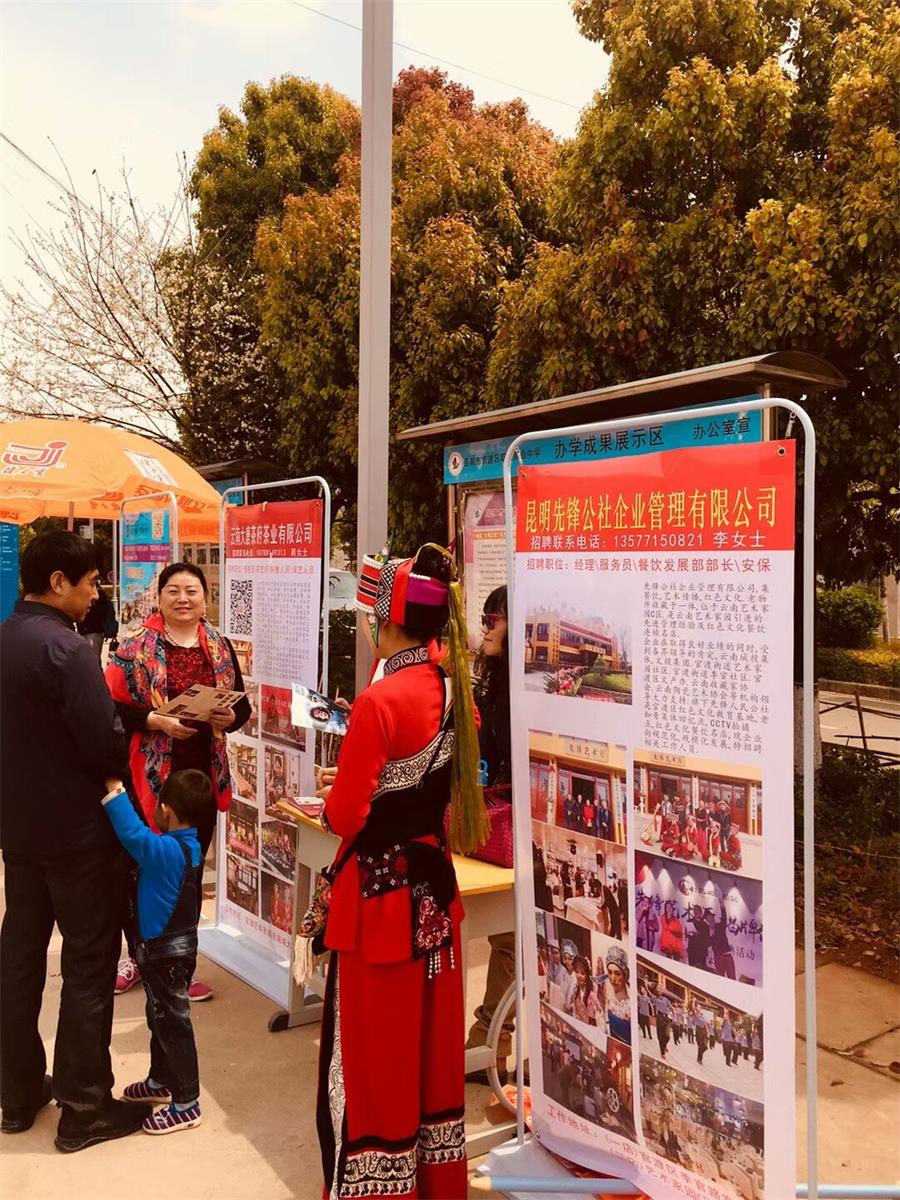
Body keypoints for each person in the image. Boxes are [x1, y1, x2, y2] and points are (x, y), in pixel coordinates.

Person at [312, 544, 488, 1199]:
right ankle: (436, 1183)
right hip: (433, 892)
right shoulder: (455, 693)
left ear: (386, 622)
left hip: (380, 903)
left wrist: (343, 794)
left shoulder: (379, 700)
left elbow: (345, 815)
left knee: (376, 1051)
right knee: (430, 1049)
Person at [0, 531, 152, 1149]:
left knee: (19, 961)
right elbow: (103, 743)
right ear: (58, 582)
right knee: (89, 963)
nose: (96, 594)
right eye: (90, 583)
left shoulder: (6, 638)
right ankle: (84, 1107)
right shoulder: (66, 648)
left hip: (18, 831)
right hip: (79, 835)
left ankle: (17, 1093)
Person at [105, 563, 251, 1001]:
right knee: (142, 871)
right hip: (149, 778)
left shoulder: (219, 646)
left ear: (205, 598)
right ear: (160, 597)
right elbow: (109, 708)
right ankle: (137, 957)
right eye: (173, 590)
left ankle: (181, 966)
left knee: (188, 874)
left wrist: (230, 717)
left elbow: (241, 709)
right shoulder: (133, 647)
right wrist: (156, 720)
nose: (183, 599)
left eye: (192, 590)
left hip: (201, 781)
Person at [101, 770, 212, 1134]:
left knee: (173, 1025)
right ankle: (161, 1080)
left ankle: (187, 1103)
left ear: (166, 810)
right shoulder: (191, 847)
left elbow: (132, 834)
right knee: (160, 1018)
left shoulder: (165, 852)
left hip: (164, 954)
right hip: (175, 952)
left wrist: (115, 791)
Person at [465, 586, 515, 1084]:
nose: (484, 626)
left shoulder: (522, 692)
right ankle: (488, 1047)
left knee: (512, 941)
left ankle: (488, 1045)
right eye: (483, 617)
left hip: (518, 829)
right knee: (507, 941)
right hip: (494, 826)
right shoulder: (492, 683)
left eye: (493, 618)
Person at [77, 584, 119, 659]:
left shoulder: (99, 594)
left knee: (94, 656)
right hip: (82, 630)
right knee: (84, 655)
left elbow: (102, 611)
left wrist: (90, 605)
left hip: (95, 630)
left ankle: (95, 667)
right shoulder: (82, 594)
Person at [599, 946, 631, 1045]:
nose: (612, 978)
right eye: (610, 972)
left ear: (624, 975)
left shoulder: (631, 1000)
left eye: (617, 973)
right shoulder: (608, 991)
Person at [566, 955, 600, 1026]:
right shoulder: (575, 990)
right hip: (577, 1026)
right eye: (577, 972)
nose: (579, 976)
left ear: (587, 975)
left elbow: (596, 1016)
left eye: (582, 973)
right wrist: (571, 1006)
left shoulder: (592, 993)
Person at [707, 897, 736, 980]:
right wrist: (710, 935)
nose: (710, 920)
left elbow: (724, 918)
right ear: (707, 920)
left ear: (713, 918)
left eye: (711, 918)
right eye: (708, 919)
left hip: (727, 956)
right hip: (717, 957)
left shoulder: (720, 926)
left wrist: (722, 906)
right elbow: (707, 944)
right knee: (720, 979)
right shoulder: (707, 931)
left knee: (732, 978)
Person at [686, 903, 712, 970]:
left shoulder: (705, 924)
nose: (696, 912)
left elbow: (708, 941)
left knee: (701, 970)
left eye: (697, 910)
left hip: (701, 952)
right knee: (692, 969)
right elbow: (687, 935)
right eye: (694, 910)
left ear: (701, 912)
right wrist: (687, 933)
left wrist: (699, 935)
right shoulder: (690, 921)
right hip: (692, 951)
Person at [653, 987, 674, 1059]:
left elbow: (671, 1007)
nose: (659, 990)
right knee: (660, 1037)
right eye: (658, 989)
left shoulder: (665, 999)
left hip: (666, 1018)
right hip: (659, 1018)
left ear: (662, 991)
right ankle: (662, 1052)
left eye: (660, 989)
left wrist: (674, 1016)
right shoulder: (654, 998)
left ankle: (664, 1045)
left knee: (667, 1036)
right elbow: (648, 993)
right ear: (656, 991)